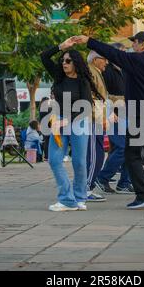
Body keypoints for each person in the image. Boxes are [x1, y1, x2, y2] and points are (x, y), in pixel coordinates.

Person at [73, 31, 144, 209]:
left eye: (134, 42)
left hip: (141, 116)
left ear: (143, 45)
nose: (132, 46)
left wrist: (89, 41)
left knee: (132, 155)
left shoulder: (138, 60)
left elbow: (114, 54)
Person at [40, 37, 103, 212]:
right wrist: (61, 47)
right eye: (62, 60)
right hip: (59, 121)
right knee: (54, 160)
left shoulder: (82, 82)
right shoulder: (58, 77)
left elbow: (86, 105)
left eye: (68, 61)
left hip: (79, 122)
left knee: (79, 162)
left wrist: (65, 120)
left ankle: (79, 197)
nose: (64, 63)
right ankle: (67, 198)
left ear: (76, 63)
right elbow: (44, 57)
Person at [93, 43, 134, 195]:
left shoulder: (123, 71)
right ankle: (102, 178)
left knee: (130, 148)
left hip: (126, 114)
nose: (124, 56)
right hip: (113, 116)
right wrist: (110, 109)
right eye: (121, 53)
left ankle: (124, 182)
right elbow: (101, 94)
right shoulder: (106, 71)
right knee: (123, 147)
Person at [85, 50, 110, 198]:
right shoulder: (91, 71)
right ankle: (87, 188)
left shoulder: (96, 72)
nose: (106, 62)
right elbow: (91, 98)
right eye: (104, 59)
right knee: (95, 154)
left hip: (96, 118)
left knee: (97, 153)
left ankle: (88, 185)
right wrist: (100, 118)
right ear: (95, 60)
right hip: (93, 119)